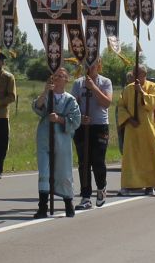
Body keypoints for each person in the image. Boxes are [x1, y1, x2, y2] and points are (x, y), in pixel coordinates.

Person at [32, 65, 80, 218]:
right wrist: (46, 91)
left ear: (66, 79)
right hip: (45, 135)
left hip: (62, 138)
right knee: (44, 171)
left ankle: (68, 204)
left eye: (61, 76)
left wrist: (60, 119)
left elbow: (76, 120)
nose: (58, 78)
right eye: (56, 75)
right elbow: (37, 107)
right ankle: (42, 207)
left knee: (64, 170)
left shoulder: (70, 100)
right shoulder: (47, 95)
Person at [115, 62, 155, 194]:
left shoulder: (153, 86)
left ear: (144, 75)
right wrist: (129, 119)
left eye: (138, 73)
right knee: (131, 157)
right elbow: (120, 106)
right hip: (132, 128)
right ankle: (129, 185)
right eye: (134, 73)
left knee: (149, 157)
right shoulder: (128, 89)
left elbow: (154, 102)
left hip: (148, 128)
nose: (135, 75)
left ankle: (150, 185)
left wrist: (141, 92)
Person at [74, 56, 113, 207]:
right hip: (82, 126)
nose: (90, 67)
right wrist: (79, 117)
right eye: (87, 64)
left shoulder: (105, 82)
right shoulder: (78, 83)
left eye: (93, 64)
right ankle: (85, 196)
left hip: (99, 126)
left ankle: (101, 187)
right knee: (84, 162)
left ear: (99, 65)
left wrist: (94, 88)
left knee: (98, 160)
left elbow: (106, 103)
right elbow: (74, 104)